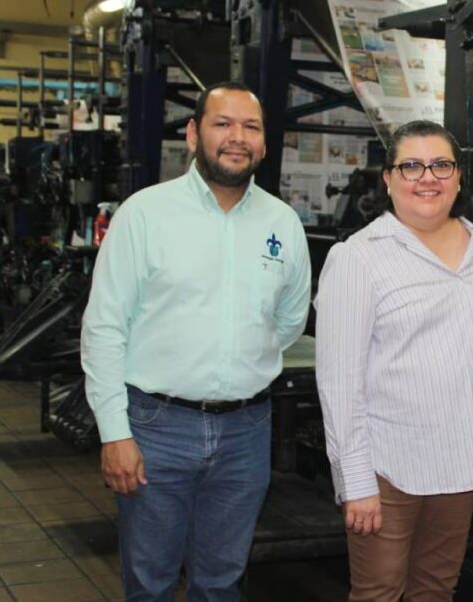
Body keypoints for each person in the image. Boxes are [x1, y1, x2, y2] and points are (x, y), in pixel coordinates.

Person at [81, 81, 311, 601]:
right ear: (192, 134)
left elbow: (289, 318)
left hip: (247, 432)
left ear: (265, 143)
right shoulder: (144, 214)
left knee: (221, 582)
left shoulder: (282, 223)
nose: (237, 137)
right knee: (151, 583)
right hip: (156, 429)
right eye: (222, 123)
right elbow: (103, 329)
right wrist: (114, 432)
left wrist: (242, 359)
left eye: (250, 127)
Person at [314, 120, 473, 601]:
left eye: (441, 165)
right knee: (379, 591)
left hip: (461, 458)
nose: (427, 178)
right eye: (411, 166)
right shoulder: (359, 258)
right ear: (389, 178)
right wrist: (355, 482)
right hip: (388, 466)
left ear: (459, 177)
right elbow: (339, 384)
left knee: (437, 589)